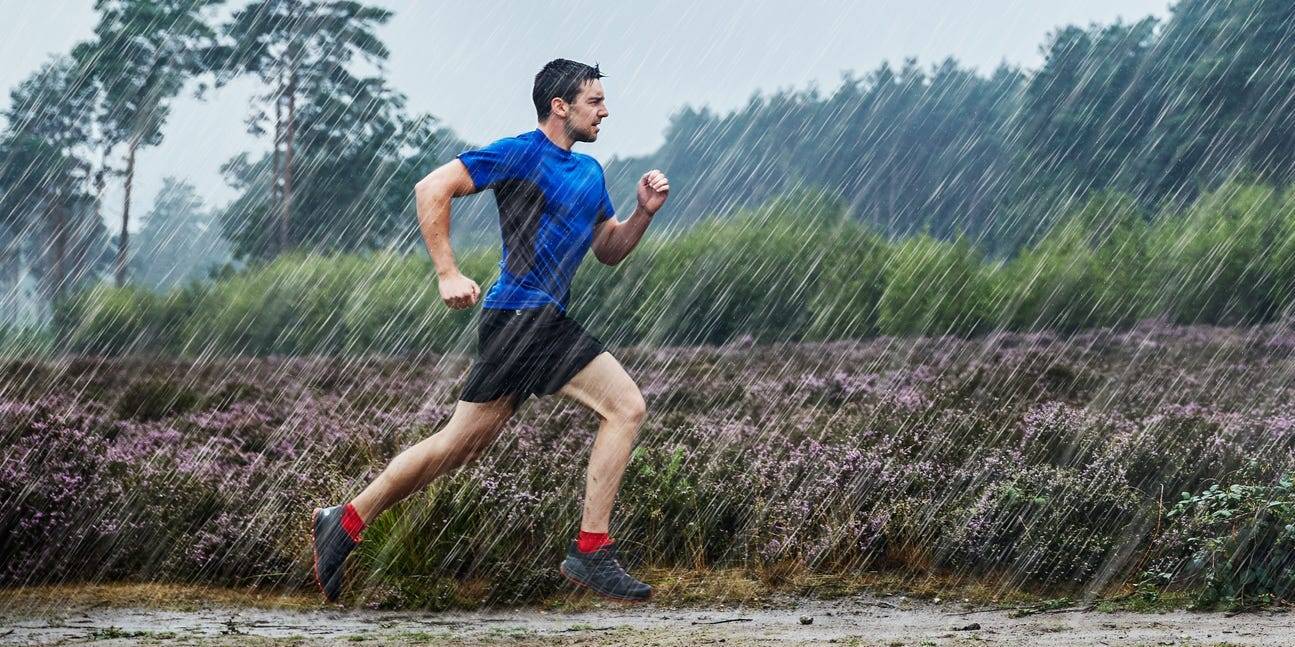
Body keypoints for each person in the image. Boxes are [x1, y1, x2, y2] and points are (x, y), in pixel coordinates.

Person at [311, 58, 670, 605]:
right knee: (626, 407)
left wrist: (642, 215)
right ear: (560, 107)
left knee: (458, 446)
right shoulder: (521, 153)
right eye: (594, 101)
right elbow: (432, 187)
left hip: (533, 320)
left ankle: (345, 520)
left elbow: (608, 250)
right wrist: (447, 272)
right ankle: (591, 550)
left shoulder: (590, 173)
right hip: (522, 316)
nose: (604, 110)